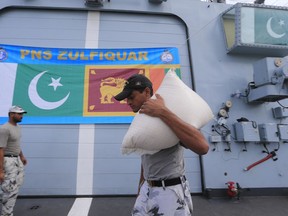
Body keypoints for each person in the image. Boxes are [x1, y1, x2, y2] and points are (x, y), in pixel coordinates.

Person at [114, 74, 209, 216]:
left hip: (170, 191)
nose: (128, 101)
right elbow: (145, 157)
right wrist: (141, 190)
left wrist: (163, 112)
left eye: (131, 97)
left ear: (146, 92)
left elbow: (203, 147)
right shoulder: (144, 123)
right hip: (147, 188)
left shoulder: (168, 116)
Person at [0, 105, 28, 216]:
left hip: (16, 159)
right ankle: (6, 214)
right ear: (12, 114)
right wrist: (1, 170)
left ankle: (4, 198)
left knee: (16, 186)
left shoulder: (17, 127)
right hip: (7, 161)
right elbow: (1, 149)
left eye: (22, 114)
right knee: (10, 189)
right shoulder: (4, 129)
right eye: (19, 114)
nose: (22, 116)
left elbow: (15, 144)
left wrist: (21, 156)